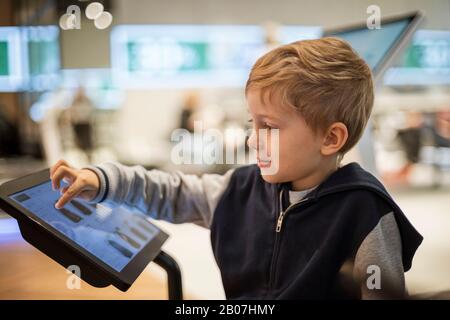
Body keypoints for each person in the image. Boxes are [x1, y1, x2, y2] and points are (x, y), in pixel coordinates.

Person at [49, 38, 423, 299]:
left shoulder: (365, 213)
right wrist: (103, 180)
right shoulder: (240, 189)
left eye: (269, 127)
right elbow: (173, 192)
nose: (252, 140)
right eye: (252, 124)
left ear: (331, 139)